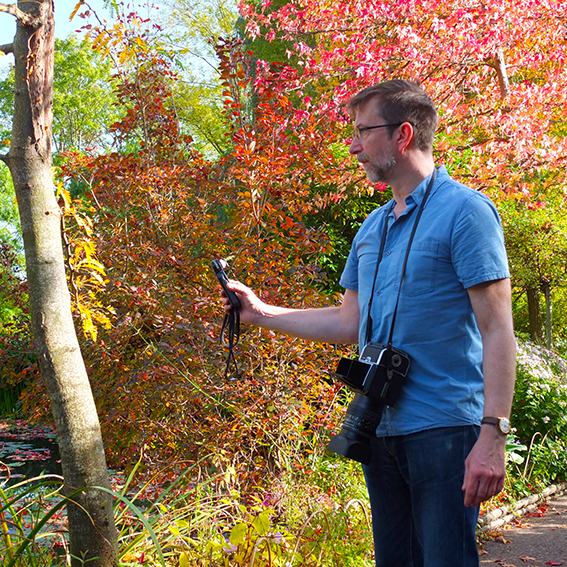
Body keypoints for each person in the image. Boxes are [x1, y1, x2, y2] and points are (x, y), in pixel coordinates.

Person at [221, 80, 516, 567]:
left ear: (402, 135)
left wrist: (493, 436)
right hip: (378, 427)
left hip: (444, 431)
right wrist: (261, 313)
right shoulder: (372, 226)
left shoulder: (467, 213)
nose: (353, 146)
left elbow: (498, 330)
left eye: (363, 132)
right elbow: (348, 322)